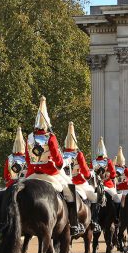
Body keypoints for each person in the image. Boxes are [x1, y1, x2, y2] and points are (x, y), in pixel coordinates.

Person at [25, 96, 84, 236]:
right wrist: (63, 163)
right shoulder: (50, 137)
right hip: (49, 174)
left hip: (32, 174)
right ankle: (73, 224)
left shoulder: (29, 138)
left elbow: (27, 159)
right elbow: (59, 161)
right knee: (69, 190)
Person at [63, 122, 101, 234]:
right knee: (95, 197)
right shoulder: (78, 154)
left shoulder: (62, 154)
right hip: (79, 183)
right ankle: (94, 221)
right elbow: (85, 170)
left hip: (64, 182)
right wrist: (89, 176)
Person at [92, 137, 118, 204]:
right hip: (108, 185)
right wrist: (112, 177)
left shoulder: (93, 162)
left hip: (96, 186)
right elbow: (113, 173)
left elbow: (91, 173)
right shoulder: (108, 161)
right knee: (117, 199)